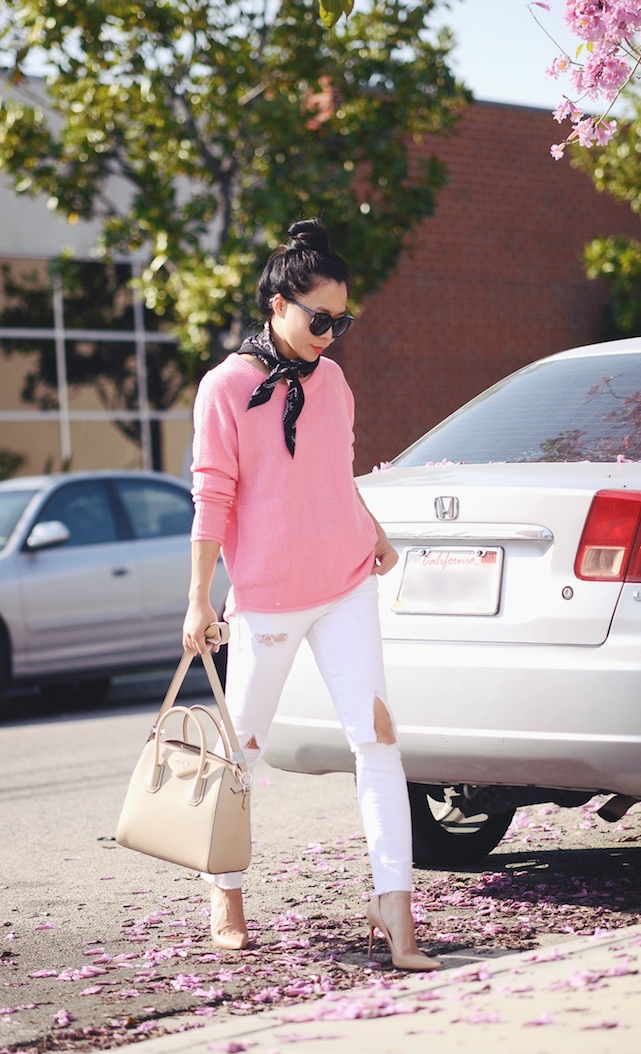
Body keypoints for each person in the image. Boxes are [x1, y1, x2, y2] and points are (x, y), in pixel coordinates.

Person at [182, 218, 440, 972]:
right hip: (264, 598)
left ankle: (396, 911)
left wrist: (374, 528)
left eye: (342, 320)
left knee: (378, 742)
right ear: (275, 305)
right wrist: (200, 597)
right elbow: (212, 495)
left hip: (346, 583)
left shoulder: (334, 382)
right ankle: (223, 887)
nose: (330, 334)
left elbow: (334, 476)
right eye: (317, 319)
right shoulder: (225, 387)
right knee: (245, 753)